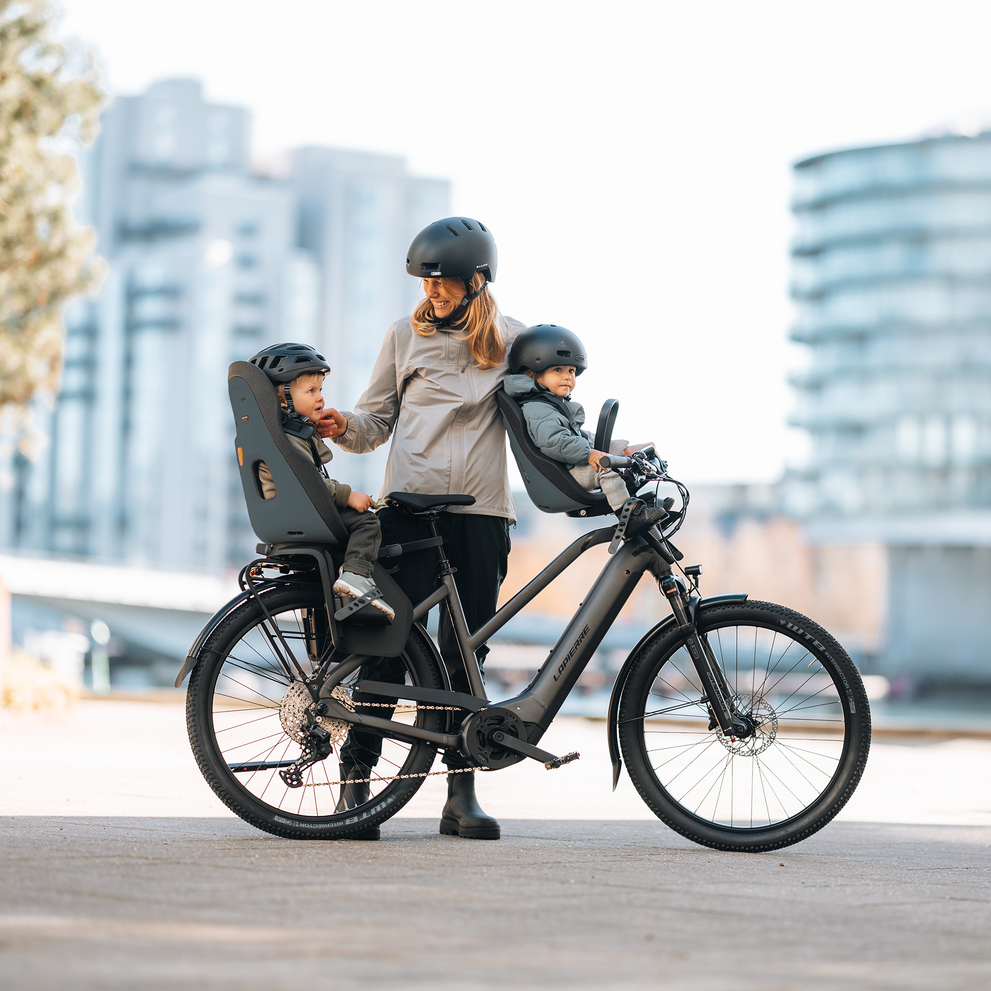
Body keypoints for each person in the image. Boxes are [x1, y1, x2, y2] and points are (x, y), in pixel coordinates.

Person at [318, 217, 524, 841]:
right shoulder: (402, 337)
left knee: (468, 652)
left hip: (481, 514)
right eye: (426, 280)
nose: (432, 291)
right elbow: (376, 418)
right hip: (408, 510)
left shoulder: (514, 341)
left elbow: (546, 415)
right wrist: (341, 425)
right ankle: (357, 786)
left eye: (444, 281)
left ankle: (460, 794)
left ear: (477, 282)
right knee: (387, 643)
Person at [249, 342, 394, 620]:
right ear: (283, 400)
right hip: (300, 513)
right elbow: (307, 484)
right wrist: (349, 496)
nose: (320, 398)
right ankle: (356, 577)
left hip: (286, 512)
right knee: (367, 522)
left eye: (320, 391)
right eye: (311, 391)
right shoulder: (289, 440)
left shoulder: (279, 436)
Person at [504, 324, 665, 533]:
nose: (567, 377)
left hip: (569, 468)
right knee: (604, 468)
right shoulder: (537, 409)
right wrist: (589, 455)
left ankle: (642, 506)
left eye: (571, 370)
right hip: (562, 477)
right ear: (530, 373)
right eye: (558, 369)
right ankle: (630, 515)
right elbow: (554, 442)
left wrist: (624, 449)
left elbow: (583, 437)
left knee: (614, 463)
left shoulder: (549, 405)